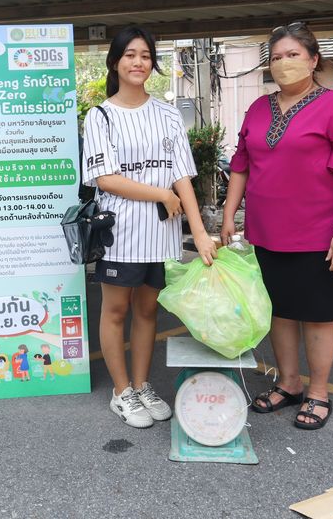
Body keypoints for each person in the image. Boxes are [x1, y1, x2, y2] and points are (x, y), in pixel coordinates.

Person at [220, 22, 333, 431]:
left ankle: (318, 392)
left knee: (319, 315)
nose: (283, 63)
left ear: (313, 60)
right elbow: (241, 165)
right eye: (276, 57)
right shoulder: (258, 108)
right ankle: (288, 383)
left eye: (293, 55)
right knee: (280, 312)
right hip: (266, 233)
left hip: (320, 234)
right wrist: (229, 215)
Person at [83, 26, 217, 429]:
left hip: (161, 234)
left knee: (146, 310)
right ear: (115, 63)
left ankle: (141, 385)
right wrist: (160, 194)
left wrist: (200, 233)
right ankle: (121, 392)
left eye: (145, 55)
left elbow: (182, 177)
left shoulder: (168, 113)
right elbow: (106, 179)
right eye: (130, 55)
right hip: (120, 234)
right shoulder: (101, 116)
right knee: (115, 310)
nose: (138, 62)